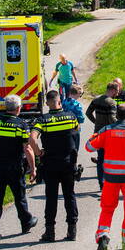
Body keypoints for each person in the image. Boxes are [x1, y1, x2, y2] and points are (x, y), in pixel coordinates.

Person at [85, 104, 125, 250]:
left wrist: (97, 134)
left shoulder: (107, 131)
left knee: (107, 208)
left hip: (111, 178)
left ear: (116, 115)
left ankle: (103, 236)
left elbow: (88, 147)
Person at [0, 95, 38, 243]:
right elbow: (27, 149)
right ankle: (26, 222)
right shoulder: (21, 125)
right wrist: (33, 168)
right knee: (19, 196)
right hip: (14, 165)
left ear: (5, 107)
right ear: (19, 108)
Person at [30, 90, 80, 242]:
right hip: (68, 164)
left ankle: (50, 232)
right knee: (69, 196)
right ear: (60, 101)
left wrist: (39, 153)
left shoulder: (42, 120)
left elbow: (32, 138)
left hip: (50, 164)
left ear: (47, 104)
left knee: (51, 198)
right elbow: (76, 133)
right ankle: (72, 231)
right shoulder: (71, 117)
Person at [86, 81, 119, 190]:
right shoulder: (112, 103)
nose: (117, 94)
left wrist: (95, 122)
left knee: (100, 159)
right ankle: (108, 182)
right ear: (113, 90)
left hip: (98, 132)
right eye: (117, 91)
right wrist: (121, 125)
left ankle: (101, 183)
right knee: (109, 159)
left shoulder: (96, 100)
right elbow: (112, 120)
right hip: (109, 134)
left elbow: (88, 112)